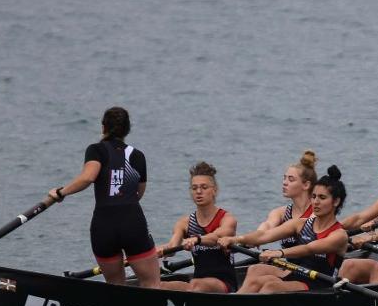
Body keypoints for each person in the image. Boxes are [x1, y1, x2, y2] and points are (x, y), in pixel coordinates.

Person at [47, 106, 160, 288]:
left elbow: (88, 177)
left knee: (115, 285)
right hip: (131, 220)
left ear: (103, 127)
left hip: (103, 225)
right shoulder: (138, 156)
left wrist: (60, 192)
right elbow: (139, 193)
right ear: (127, 130)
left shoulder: (96, 150)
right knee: (152, 282)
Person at [219, 167, 349, 293]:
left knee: (271, 287)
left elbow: (309, 248)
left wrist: (279, 253)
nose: (315, 201)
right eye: (314, 196)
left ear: (336, 201)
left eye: (322, 197)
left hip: (320, 286)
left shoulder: (339, 235)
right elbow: (264, 235)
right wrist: (234, 239)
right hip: (296, 275)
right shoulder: (300, 224)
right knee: (257, 278)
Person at [157, 162, 238, 293]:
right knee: (159, 286)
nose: (199, 192)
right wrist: (155, 251)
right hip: (197, 284)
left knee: (196, 284)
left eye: (204, 187)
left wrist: (197, 239)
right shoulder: (184, 223)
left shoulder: (227, 219)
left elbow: (216, 237)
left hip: (225, 284)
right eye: (194, 188)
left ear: (215, 190)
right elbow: (172, 248)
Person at [243, 151, 319, 286]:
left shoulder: (317, 214)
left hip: (313, 273)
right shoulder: (280, 213)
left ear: (306, 185)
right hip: (290, 269)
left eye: (291, 179)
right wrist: (250, 239)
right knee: (255, 269)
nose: (284, 183)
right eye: (284, 178)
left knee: (267, 282)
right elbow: (265, 229)